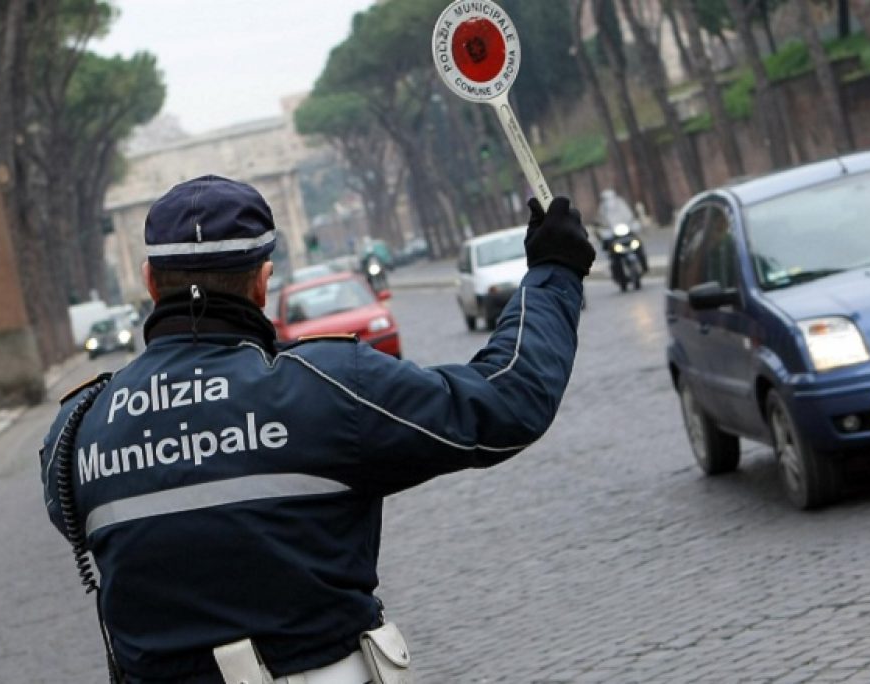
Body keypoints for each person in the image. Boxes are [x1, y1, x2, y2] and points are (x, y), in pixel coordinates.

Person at [39, 175, 595, 684]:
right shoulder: (331, 387)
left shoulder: (78, 426)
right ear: (262, 283)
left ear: (150, 283)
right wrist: (553, 273)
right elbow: (506, 400)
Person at [596, 188, 648, 274]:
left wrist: (632, 222)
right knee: (609, 249)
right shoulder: (603, 208)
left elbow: (628, 214)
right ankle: (614, 269)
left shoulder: (621, 204)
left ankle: (644, 264)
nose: (610, 200)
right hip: (612, 232)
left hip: (625, 229)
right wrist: (603, 228)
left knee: (638, 243)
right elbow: (601, 220)